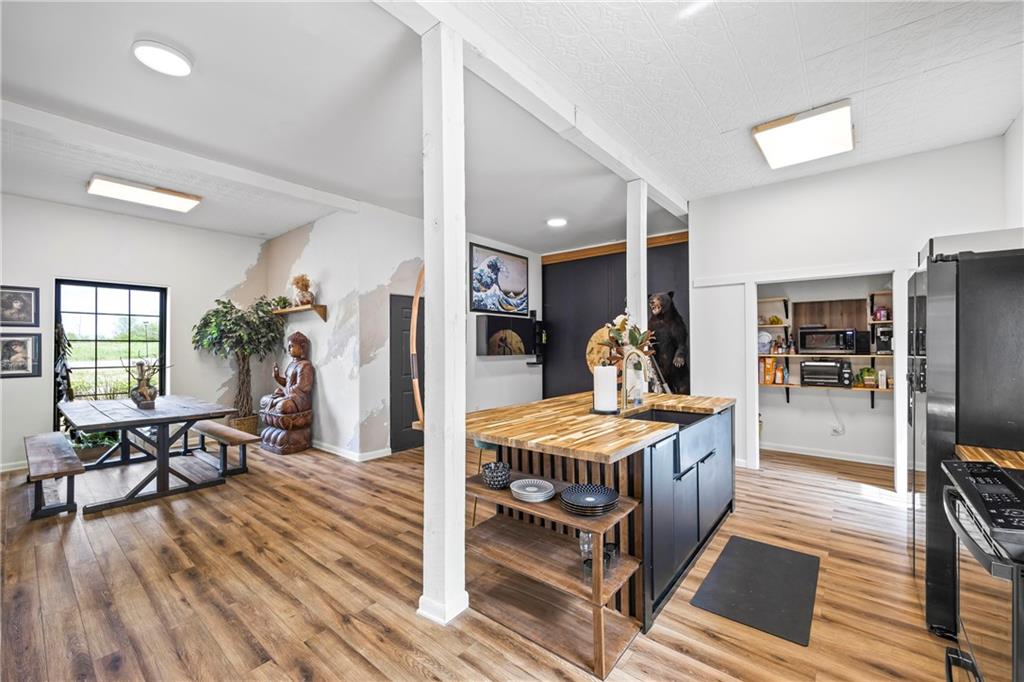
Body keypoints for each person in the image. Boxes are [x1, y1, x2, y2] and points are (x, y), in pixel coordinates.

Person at [260, 331, 314, 414]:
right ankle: (275, 403)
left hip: (298, 400)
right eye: (288, 346)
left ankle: (276, 404)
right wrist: (277, 377)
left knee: (282, 407)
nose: (288, 349)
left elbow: (302, 388)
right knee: (263, 401)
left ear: (302, 348)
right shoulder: (291, 364)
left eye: (291, 346)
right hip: (288, 395)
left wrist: (284, 392)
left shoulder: (305, 366)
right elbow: (287, 383)